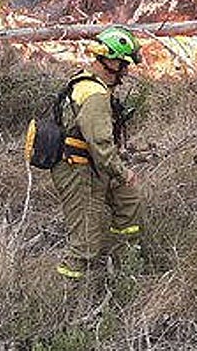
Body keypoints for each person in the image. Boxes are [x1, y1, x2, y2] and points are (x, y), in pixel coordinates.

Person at [52, 25, 143, 281]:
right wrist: (123, 172)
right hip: (79, 169)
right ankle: (69, 295)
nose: (125, 72)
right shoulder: (94, 94)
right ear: (109, 60)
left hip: (92, 165)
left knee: (129, 199)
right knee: (85, 244)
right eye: (123, 65)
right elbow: (101, 146)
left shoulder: (88, 81)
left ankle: (127, 260)